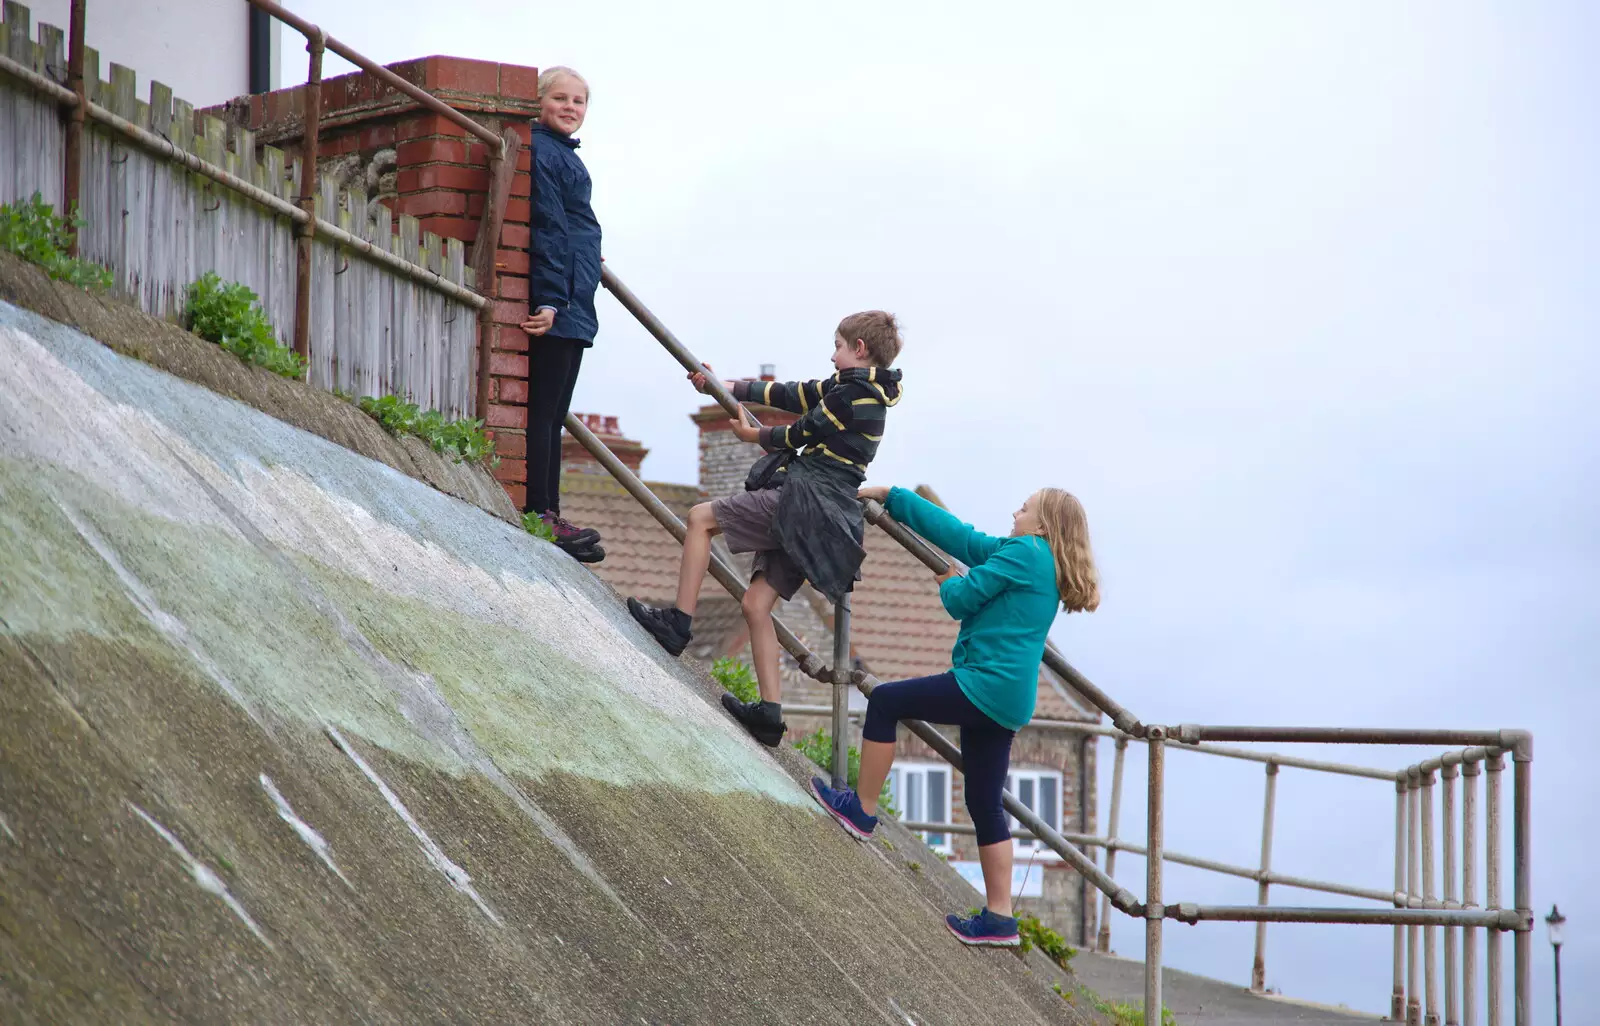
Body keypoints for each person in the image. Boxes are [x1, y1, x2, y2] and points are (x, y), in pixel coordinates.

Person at [810, 485, 1100, 948]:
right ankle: (1000, 918)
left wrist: (948, 580)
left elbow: (961, 601)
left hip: (982, 685)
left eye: (1024, 507)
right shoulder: (1041, 560)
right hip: (1010, 701)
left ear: (1043, 526)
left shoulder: (1026, 552)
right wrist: (896, 498)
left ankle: (861, 810)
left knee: (885, 701)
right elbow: (963, 538)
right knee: (985, 802)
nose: (1015, 510)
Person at [627, 312, 905, 746]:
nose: (832, 356)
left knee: (700, 518)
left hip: (806, 504)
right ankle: (770, 716)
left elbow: (799, 431)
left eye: (838, 346)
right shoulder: (860, 391)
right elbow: (794, 394)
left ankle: (677, 624)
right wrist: (725, 387)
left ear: (859, 350)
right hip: (823, 520)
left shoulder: (852, 395)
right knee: (757, 604)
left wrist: (751, 437)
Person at [523, 66, 604, 563]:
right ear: (538, 102)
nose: (570, 107)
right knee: (544, 411)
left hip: (574, 301)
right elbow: (549, 228)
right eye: (560, 98)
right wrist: (550, 300)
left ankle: (550, 511)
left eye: (579, 101)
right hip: (562, 303)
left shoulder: (562, 155)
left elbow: (574, 229)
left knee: (554, 416)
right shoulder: (545, 153)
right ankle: (540, 512)